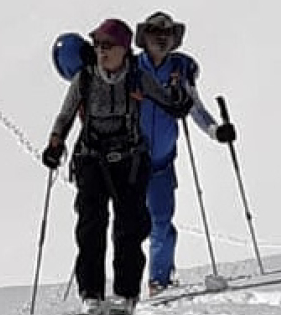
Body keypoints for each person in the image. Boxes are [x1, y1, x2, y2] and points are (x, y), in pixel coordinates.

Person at [41, 18, 191, 315]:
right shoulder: (85, 77)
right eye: (97, 45)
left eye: (107, 46)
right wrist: (55, 144)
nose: (101, 51)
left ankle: (126, 294)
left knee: (129, 230)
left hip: (130, 161)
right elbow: (65, 115)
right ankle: (91, 294)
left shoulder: (138, 76)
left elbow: (171, 104)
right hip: (92, 160)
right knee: (90, 228)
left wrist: (180, 92)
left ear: (124, 49)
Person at [134, 11, 236, 295]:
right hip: (129, 162)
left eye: (167, 33)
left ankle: (158, 280)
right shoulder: (131, 69)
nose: (161, 37)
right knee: (129, 224)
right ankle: (124, 284)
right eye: (155, 32)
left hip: (162, 163)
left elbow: (195, 108)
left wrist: (216, 131)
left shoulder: (179, 71)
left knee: (161, 221)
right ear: (144, 37)